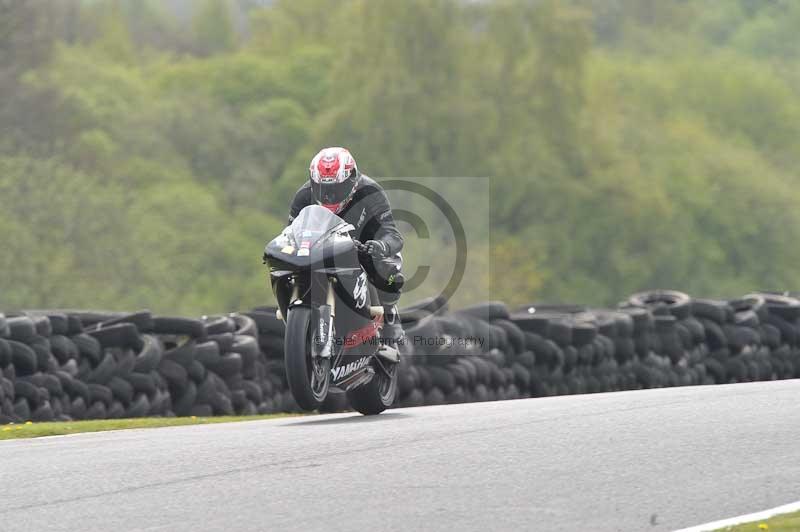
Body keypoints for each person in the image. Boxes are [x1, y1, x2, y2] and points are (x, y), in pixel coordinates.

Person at [288, 147, 405, 350]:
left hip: (363, 246)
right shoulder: (303, 196)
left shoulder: (370, 191)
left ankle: (390, 314)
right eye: (323, 189)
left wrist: (380, 245)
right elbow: (290, 233)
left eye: (336, 189)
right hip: (320, 249)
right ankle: (298, 315)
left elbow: (393, 234)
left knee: (387, 266)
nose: (329, 196)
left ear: (351, 180)